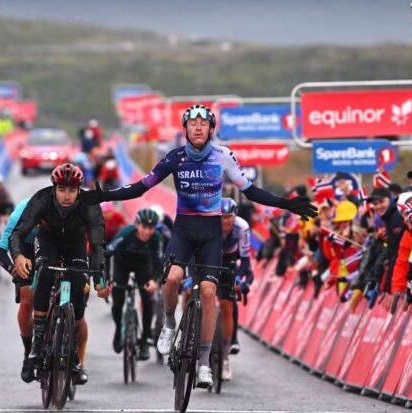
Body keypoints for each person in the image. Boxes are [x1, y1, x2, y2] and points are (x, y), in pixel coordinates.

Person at [80, 104, 317, 387]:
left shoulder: (223, 156)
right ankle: (169, 324)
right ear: (186, 129)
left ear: (210, 128)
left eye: (203, 124)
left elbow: (250, 190)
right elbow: (142, 187)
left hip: (211, 234)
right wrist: (105, 195)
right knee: (172, 280)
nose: (198, 128)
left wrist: (287, 204)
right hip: (183, 230)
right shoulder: (175, 157)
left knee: (207, 293)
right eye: (192, 124)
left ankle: (204, 364)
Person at [9, 163, 111, 385]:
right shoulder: (42, 199)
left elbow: (97, 246)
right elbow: (17, 234)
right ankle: (37, 347)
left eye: (72, 190)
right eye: (62, 190)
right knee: (44, 271)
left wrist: (101, 281)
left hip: (75, 243)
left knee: (78, 281)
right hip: (48, 240)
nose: (67, 196)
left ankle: (74, 358)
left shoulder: (89, 204)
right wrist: (18, 256)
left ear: (79, 190)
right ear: (54, 188)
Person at [0, 198, 42, 383]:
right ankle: (28, 351)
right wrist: (14, 270)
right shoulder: (19, 214)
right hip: (25, 248)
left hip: (52, 245)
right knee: (27, 296)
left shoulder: (62, 210)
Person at [106, 208, 163, 361]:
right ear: (137, 225)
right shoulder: (125, 234)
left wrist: (153, 280)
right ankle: (118, 329)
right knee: (118, 303)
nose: (147, 232)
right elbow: (107, 254)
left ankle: (144, 341)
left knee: (147, 300)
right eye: (144, 227)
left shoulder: (156, 238)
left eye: (151, 228)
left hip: (142, 266)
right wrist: (106, 279)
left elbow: (159, 264)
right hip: (121, 264)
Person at [218, 198, 252, 381]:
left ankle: (224, 359)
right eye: (222, 217)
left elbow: (246, 260)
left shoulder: (242, 227)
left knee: (227, 304)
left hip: (230, 260)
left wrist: (239, 276)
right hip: (211, 257)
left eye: (229, 217)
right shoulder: (209, 223)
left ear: (234, 216)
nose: (225, 221)